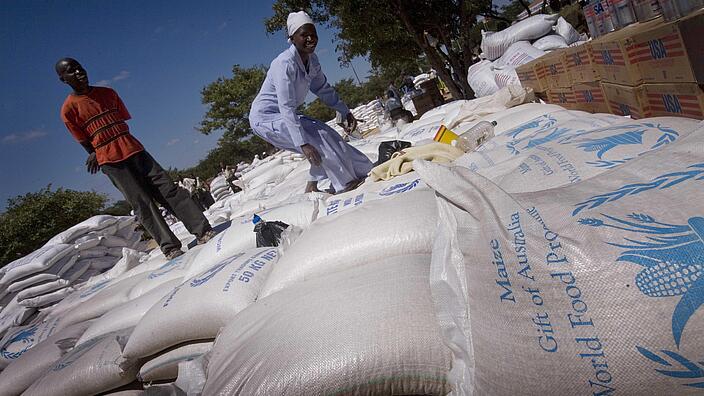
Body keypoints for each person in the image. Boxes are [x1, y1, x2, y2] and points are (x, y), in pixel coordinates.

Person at [55, 58, 216, 260]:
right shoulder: (68, 110)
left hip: (134, 149)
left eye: (80, 67)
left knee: (169, 190)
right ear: (63, 79)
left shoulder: (108, 94)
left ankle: (202, 230)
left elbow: (121, 121)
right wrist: (93, 152)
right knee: (142, 203)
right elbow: (84, 140)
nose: (79, 72)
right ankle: (170, 247)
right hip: (111, 162)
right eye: (71, 71)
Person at [249, 11, 372, 194]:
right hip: (266, 119)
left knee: (327, 133)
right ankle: (344, 183)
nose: (310, 39)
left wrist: (344, 111)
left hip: (284, 115)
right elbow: (286, 107)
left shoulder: (312, 60)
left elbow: (322, 88)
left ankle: (363, 169)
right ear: (292, 38)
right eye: (304, 35)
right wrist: (303, 144)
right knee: (317, 141)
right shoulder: (284, 64)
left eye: (313, 34)